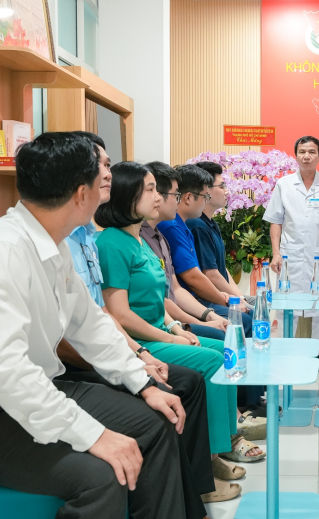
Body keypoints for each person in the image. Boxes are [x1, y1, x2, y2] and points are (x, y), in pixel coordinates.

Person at [0, 132, 193, 518]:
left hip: (33, 393)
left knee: (156, 419)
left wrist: (144, 382)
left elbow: (90, 325)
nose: (109, 178)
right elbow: (9, 373)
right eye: (101, 171)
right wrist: (95, 436)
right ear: (80, 194)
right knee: (102, 474)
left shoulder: (54, 244)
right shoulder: (1, 252)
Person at [56, 132, 226, 512]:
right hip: (71, 366)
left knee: (181, 385)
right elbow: (110, 316)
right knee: (183, 387)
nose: (108, 176)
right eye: (152, 189)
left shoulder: (87, 238)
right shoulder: (91, 242)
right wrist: (140, 356)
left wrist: (146, 351)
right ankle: (200, 481)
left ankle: (200, 478)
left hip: (116, 347)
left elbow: (104, 313)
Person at [94, 162, 264, 497]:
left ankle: (223, 442)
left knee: (224, 349)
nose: (158, 197)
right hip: (141, 340)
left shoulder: (140, 241)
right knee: (215, 361)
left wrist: (177, 324)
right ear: (127, 195)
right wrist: (171, 335)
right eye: (150, 189)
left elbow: (162, 297)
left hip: (161, 330)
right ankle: (209, 463)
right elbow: (120, 315)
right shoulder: (112, 243)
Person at [186, 160, 267, 413]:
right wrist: (233, 301)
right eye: (221, 186)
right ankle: (245, 401)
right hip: (202, 300)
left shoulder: (210, 223)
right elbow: (209, 275)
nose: (227, 191)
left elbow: (221, 271)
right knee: (245, 320)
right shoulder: (196, 225)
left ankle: (255, 393)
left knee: (255, 311)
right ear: (205, 192)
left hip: (215, 295)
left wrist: (241, 296)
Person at [263, 135, 319, 339]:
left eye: (312, 152)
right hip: (289, 256)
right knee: (287, 307)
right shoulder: (284, 184)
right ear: (296, 156)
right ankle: (286, 351)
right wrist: (276, 253)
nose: (306, 156)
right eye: (302, 152)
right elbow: (276, 221)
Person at [157, 164, 253, 336]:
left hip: (191, 301)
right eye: (205, 195)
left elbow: (218, 270)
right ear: (188, 198)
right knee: (242, 320)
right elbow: (196, 278)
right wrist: (226, 302)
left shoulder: (183, 225)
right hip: (190, 302)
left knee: (250, 312)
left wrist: (234, 298)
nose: (207, 200)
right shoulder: (173, 226)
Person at [141, 161, 228, 342]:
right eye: (176, 194)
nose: (178, 200)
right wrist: (202, 320)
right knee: (227, 334)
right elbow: (193, 278)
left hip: (172, 318)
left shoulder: (160, 234)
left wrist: (207, 316)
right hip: (162, 324)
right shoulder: (165, 229)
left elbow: (175, 290)